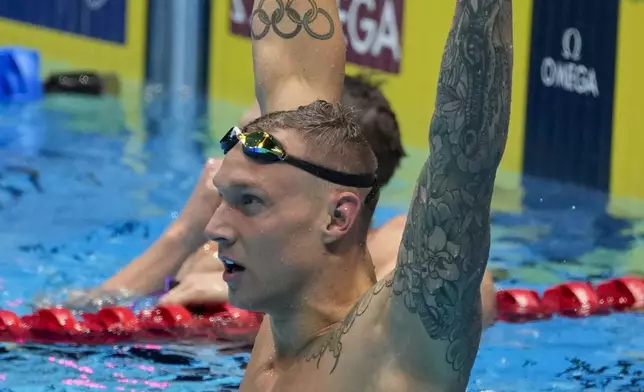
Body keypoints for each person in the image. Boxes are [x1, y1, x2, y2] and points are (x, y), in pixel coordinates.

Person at [198, 0, 512, 390]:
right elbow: (292, 59)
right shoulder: (286, 309)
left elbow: (464, 159)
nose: (215, 229)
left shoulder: (395, 346)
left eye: (249, 202)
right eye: (224, 199)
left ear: (337, 218)